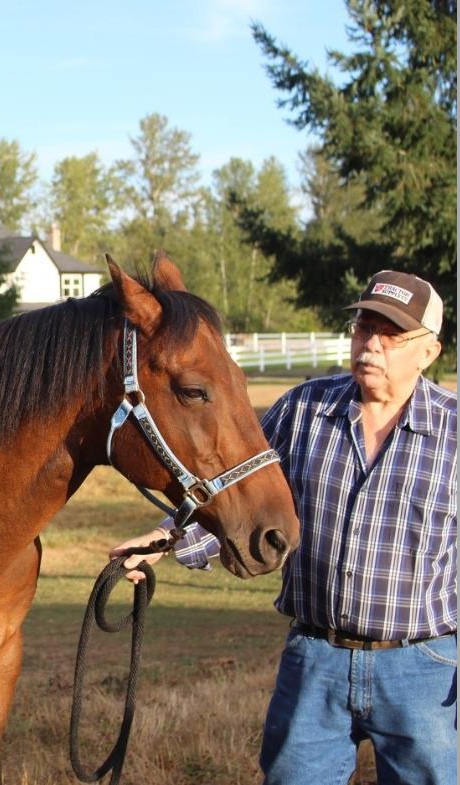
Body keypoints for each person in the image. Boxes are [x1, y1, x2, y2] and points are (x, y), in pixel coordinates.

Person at [111, 270, 455, 784]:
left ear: (428, 352)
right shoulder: (305, 410)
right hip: (316, 660)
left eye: (392, 334)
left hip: (423, 666)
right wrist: (168, 537)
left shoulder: (454, 433)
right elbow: (238, 490)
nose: (372, 344)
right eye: (365, 327)